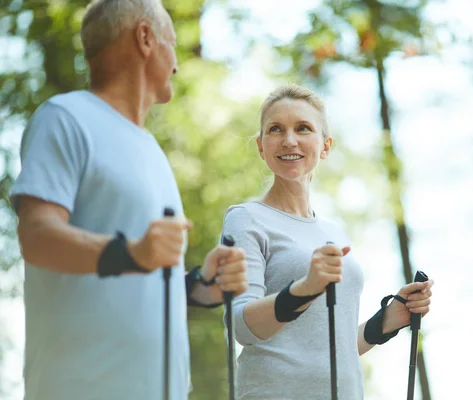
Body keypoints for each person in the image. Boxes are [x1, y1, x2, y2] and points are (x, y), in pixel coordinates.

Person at [10, 1, 247, 399]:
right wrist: (134, 253)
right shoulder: (66, 117)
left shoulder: (151, 151)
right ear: (145, 38)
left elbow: (142, 271)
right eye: (170, 43)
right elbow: (36, 234)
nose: (176, 62)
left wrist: (203, 285)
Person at [221, 84, 434, 399]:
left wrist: (388, 320)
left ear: (325, 146)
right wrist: (305, 288)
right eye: (275, 129)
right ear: (261, 146)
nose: (289, 140)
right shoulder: (247, 219)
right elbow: (241, 326)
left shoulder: (333, 232)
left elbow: (336, 346)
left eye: (303, 128)